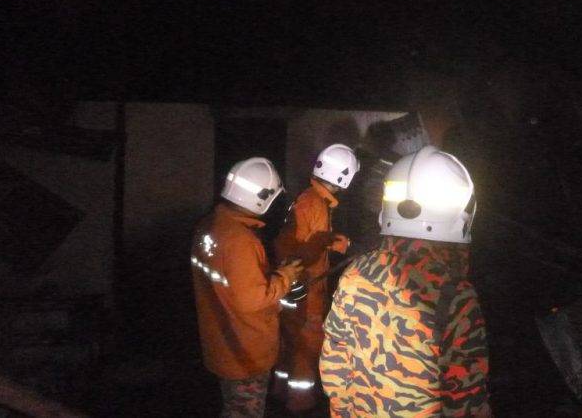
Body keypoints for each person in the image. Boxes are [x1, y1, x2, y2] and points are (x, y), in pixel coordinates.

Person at [320, 145, 491, 417]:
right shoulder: (455, 295)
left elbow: (335, 360)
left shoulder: (355, 273)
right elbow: (464, 397)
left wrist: (342, 412)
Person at [191, 157, 304, 418]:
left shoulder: (208, 226)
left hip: (221, 340)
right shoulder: (241, 240)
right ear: (261, 198)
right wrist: (285, 276)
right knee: (244, 412)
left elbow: (230, 282)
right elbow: (252, 299)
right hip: (245, 350)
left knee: (233, 406)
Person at [273, 143, 360, 412]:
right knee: (307, 347)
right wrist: (327, 245)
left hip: (291, 285)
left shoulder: (308, 198)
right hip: (306, 290)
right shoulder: (316, 205)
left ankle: (279, 393)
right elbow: (304, 250)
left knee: (288, 343)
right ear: (344, 177)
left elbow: (302, 242)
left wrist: (331, 242)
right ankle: (301, 402)